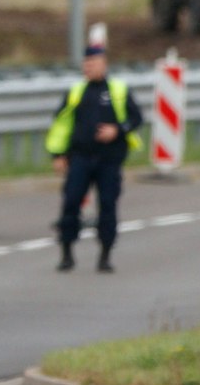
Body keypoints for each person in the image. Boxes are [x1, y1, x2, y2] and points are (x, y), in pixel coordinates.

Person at [45, 43, 142, 273]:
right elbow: (61, 124)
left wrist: (117, 130)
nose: (89, 67)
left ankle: (105, 256)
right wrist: (58, 154)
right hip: (80, 157)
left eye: (94, 63)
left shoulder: (118, 90)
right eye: (86, 64)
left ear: (104, 65)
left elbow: (136, 118)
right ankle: (67, 253)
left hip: (109, 160)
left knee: (107, 205)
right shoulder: (76, 93)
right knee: (70, 202)